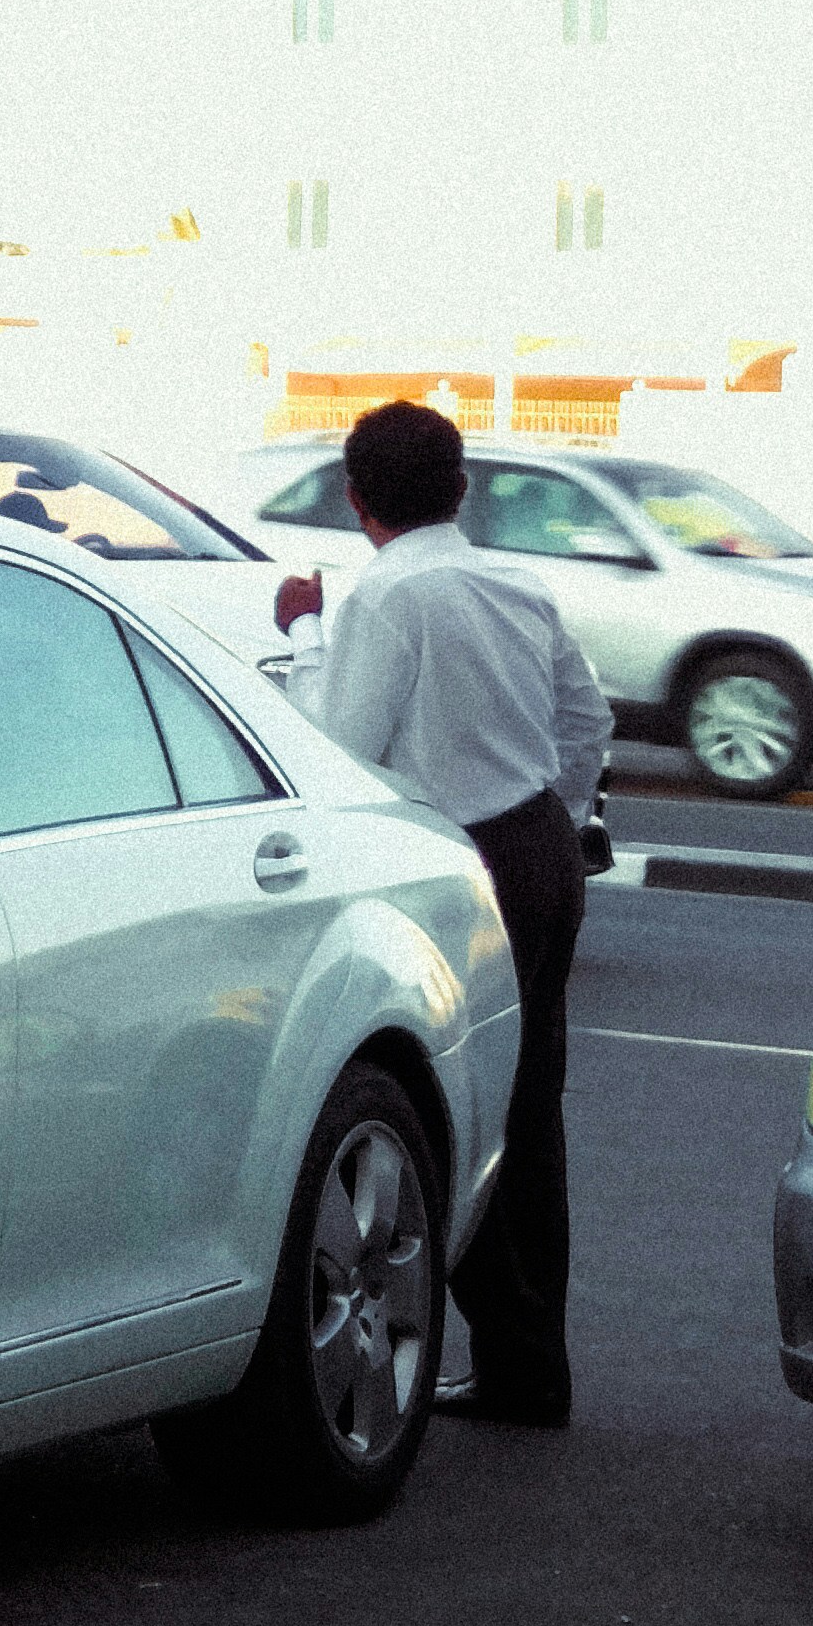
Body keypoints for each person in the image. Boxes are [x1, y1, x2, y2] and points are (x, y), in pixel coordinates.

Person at [272, 400, 607, 1427]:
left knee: (460, 1112)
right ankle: (530, 1363)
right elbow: (587, 717)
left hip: (461, 861)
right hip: (542, 841)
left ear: (358, 501)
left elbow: (345, 744)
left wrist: (301, 628)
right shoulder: (519, 583)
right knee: (531, 1108)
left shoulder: (385, 598)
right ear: (462, 488)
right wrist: (568, 809)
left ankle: (512, 1362)